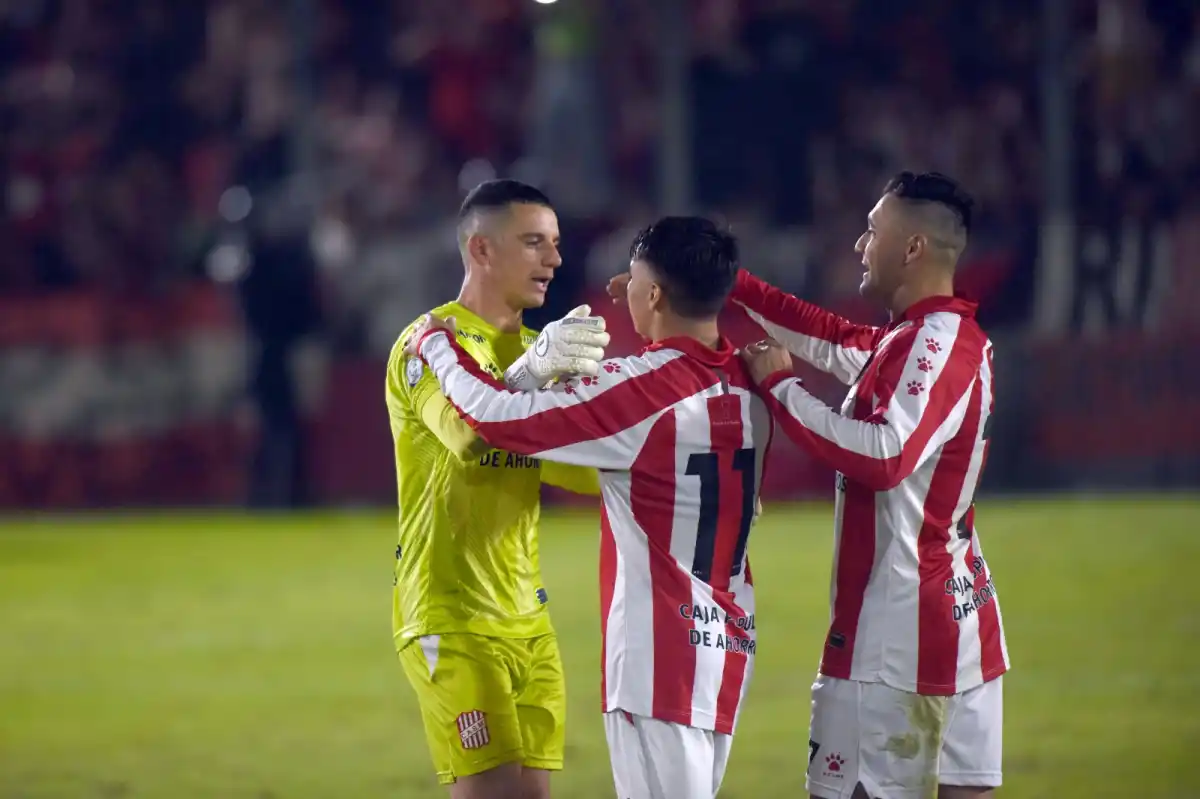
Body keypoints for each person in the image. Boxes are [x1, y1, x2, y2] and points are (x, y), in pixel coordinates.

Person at [405, 216, 772, 799]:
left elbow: (494, 420)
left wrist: (439, 349)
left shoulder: (642, 391)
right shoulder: (752, 382)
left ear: (654, 292)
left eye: (634, 279)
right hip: (727, 645)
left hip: (659, 657)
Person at [736, 172, 1009, 799]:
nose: (860, 245)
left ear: (912, 248)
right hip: (953, 620)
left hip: (895, 643)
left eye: (872, 231)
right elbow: (829, 340)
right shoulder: (921, 340)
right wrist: (732, 284)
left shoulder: (934, 346)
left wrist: (780, 389)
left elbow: (886, 455)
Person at [385, 179, 611, 799]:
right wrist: (533, 377)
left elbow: (574, 467)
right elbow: (466, 436)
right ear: (481, 251)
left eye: (557, 244)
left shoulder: (541, 347)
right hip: (452, 615)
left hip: (528, 616)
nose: (555, 260)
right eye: (534, 242)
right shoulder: (428, 343)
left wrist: (674, 476)